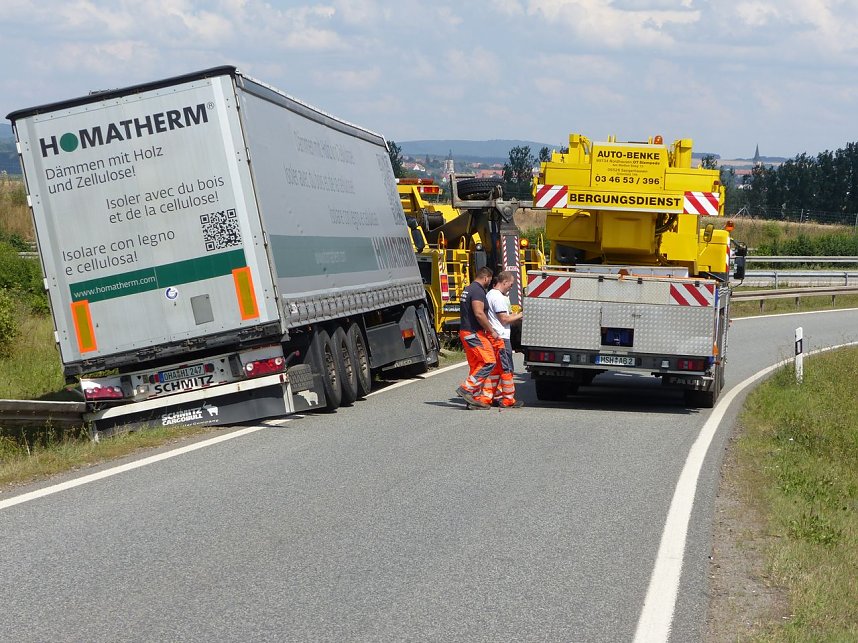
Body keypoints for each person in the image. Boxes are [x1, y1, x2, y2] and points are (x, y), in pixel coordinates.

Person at [480, 271, 524, 408]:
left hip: (495, 336)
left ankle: (488, 397)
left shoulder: (491, 295)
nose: (511, 288)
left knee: (495, 370)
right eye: (510, 285)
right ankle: (508, 399)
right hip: (501, 338)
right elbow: (504, 319)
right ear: (504, 282)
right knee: (507, 369)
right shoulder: (498, 297)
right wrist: (521, 315)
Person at [455, 266, 497, 409]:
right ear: (485, 278)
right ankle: (466, 389)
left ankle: (472, 399)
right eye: (489, 281)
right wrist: (491, 331)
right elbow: (479, 313)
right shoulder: (478, 291)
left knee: (477, 365)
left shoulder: (468, 289)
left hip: (466, 332)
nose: (489, 283)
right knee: (489, 362)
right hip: (473, 333)